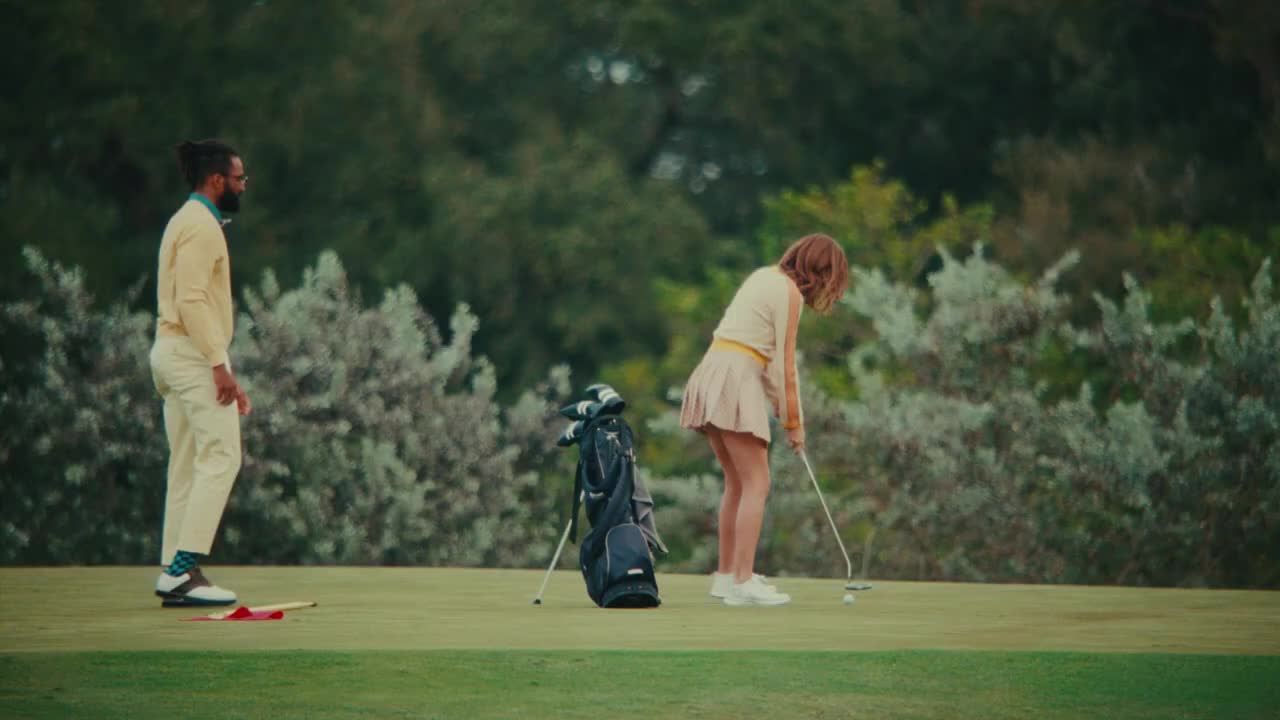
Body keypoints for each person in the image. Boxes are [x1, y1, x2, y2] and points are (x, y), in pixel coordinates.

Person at [679, 234, 849, 606]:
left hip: (711, 371)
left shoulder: (764, 276)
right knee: (757, 483)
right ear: (819, 271)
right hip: (735, 377)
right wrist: (795, 422)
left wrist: (782, 409)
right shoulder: (789, 293)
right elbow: (785, 365)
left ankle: (727, 578)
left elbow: (767, 362)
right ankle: (743, 582)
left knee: (737, 483)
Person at [148, 139, 250, 607]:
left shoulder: (182, 219)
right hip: (190, 355)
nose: (242, 186)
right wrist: (216, 364)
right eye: (239, 179)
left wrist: (221, 366)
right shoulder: (202, 226)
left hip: (173, 353)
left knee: (188, 464)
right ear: (216, 180)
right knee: (222, 457)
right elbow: (191, 300)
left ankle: (174, 571)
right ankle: (182, 571)